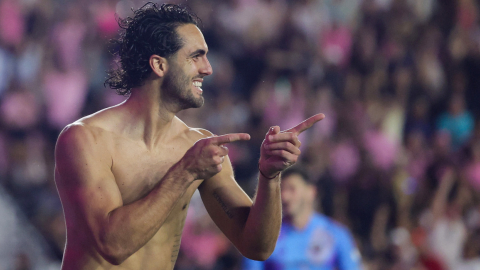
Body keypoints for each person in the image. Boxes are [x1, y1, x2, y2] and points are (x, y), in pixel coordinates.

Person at [53, 3, 324, 269]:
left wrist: (269, 176)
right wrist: (184, 172)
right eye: (196, 56)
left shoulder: (196, 145)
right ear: (159, 65)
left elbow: (258, 248)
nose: (208, 68)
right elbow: (113, 246)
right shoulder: (86, 139)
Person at [243, 167, 362, 270]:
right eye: (282, 190)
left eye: (292, 189)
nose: (285, 196)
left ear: (311, 192)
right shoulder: (265, 237)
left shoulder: (336, 234)